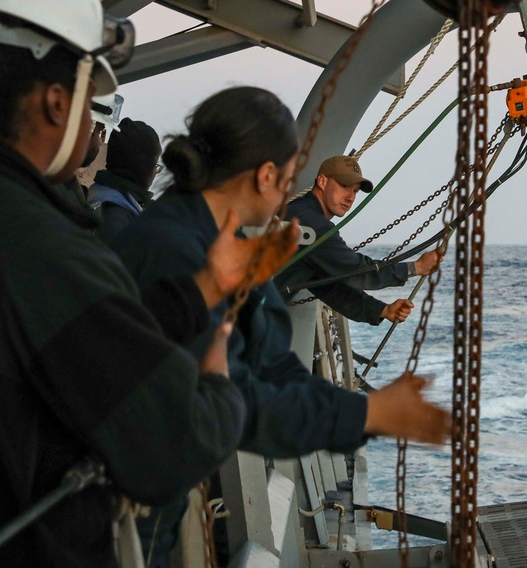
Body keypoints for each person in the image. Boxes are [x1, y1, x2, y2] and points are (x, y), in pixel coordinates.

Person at [0, 0, 297, 568]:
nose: (94, 123)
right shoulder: (36, 245)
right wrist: (219, 362)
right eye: (92, 94)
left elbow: (75, 337)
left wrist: (203, 285)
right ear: (56, 101)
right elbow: (175, 447)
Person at [111, 87, 451, 568]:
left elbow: (273, 360)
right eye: (287, 177)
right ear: (267, 175)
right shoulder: (176, 251)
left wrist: (362, 407)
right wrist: (367, 415)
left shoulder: (214, 239)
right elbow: (244, 401)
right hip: (135, 516)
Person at [274, 155, 441, 326]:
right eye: (344, 186)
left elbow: (329, 286)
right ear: (322, 182)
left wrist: (382, 310)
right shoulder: (313, 224)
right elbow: (357, 270)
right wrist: (415, 268)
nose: (351, 197)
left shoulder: (300, 212)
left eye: (355, 191)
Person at [88, 117, 162, 242]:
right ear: (142, 167)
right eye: (155, 166)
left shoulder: (101, 194)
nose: (155, 172)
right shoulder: (117, 217)